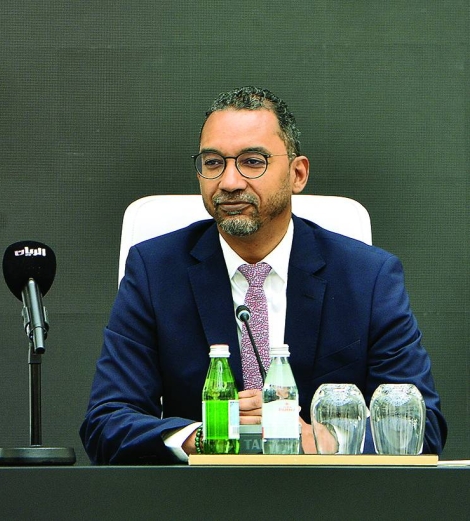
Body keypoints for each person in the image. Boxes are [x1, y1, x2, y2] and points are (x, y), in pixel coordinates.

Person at [80, 87, 446, 464]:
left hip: (328, 498)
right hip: (201, 499)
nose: (230, 182)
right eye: (213, 163)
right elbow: (106, 422)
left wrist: (331, 438)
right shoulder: (155, 271)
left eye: (252, 162)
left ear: (297, 174)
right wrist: (205, 437)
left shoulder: (367, 277)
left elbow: (424, 426)